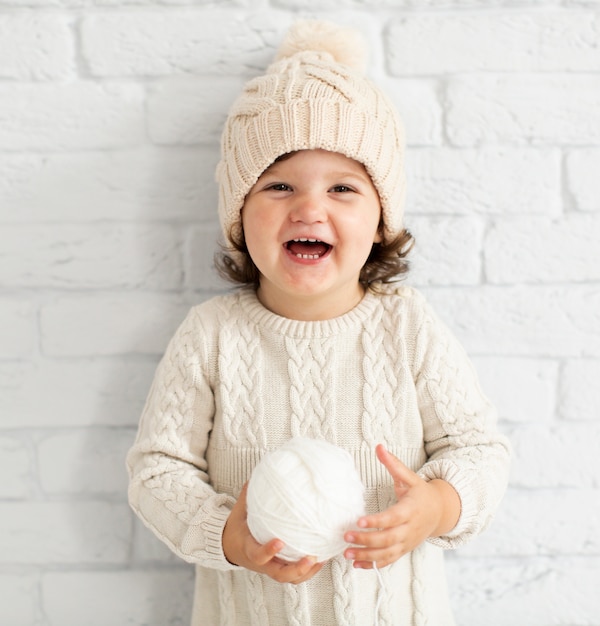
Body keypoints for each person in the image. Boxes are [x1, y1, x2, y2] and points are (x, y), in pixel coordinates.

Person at [127, 19, 511, 626]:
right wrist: (228, 535)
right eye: (279, 185)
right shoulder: (212, 336)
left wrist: (437, 506)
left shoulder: (406, 327)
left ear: (381, 220)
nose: (310, 208)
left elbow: (479, 451)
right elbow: (157, 470)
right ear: (238, 214)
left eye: (342, 188)